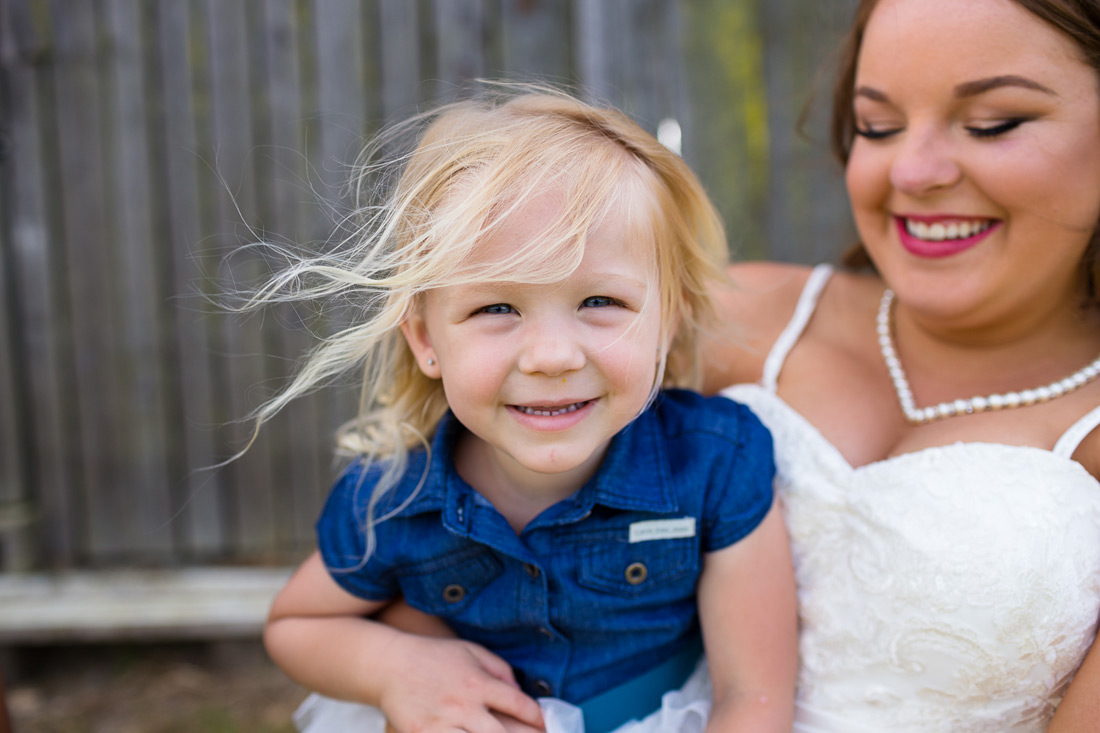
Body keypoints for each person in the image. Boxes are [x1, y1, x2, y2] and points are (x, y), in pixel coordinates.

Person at [258, 87, 798, 733]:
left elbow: (754, 697)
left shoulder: (716, 462)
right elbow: (296, 623)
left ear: (668, 320)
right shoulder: (391, 501)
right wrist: (395, 666)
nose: (551, 356)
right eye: (496, 308)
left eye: (600, 300)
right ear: (427, 339)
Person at [701, 0, 1100, 729]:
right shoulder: (737, 318)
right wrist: (414, 657)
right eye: (878, 127)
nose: (912, 172)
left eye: (993, 123)